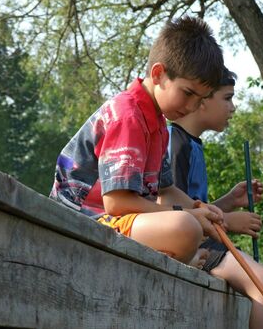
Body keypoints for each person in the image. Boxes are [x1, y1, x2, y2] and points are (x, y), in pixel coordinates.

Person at [50, 16, 226, 266]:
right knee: (185, 227)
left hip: (115, 221)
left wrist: (199, 207)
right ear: (158, 74)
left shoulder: (158, 123)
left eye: (199, 100)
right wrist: (188, 214)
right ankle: (178, 256)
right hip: (82, 223)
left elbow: (165, 188)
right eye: (187, 93)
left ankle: (174, 254)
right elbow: (117, 202)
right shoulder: (128, 116)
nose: (191, 107)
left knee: (190, 224)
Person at [168, 67, 263, 328]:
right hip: (194, 248)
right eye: (227, 98)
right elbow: (171, 211)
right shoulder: (175, 143)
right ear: (202, 100)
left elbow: (194, 204)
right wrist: (226, 219)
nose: (233, 107)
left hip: (204, 240)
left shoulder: (192, 144)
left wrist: (229, 201)